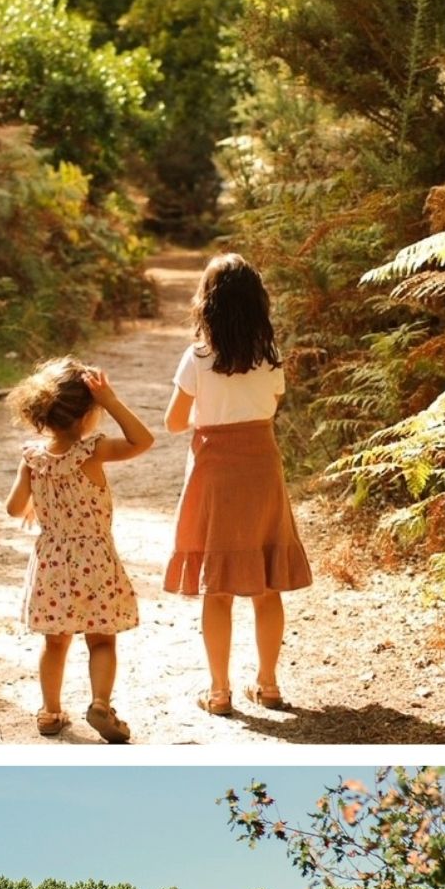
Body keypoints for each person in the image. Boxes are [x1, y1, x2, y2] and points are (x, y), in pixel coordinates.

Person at [163, 253, 311, 716]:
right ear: (256, 304)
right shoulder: (270, 356)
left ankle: (220, 691)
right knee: (268, 588)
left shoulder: (199, 357)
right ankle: (268, 685)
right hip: (261, 469)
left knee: (218, 588)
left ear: (207, 303)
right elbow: (273, 404)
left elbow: (172, 423)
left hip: (214, 473)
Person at [3, 357, 153, 741]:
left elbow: (13, 508)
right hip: (96, 561)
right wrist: (114, 400)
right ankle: (100, 705)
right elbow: (143, 441)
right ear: (89, 412)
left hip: (52, 562)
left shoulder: (32, 458)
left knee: (55, 641)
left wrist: (38, 499)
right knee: (101, 638)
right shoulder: (94, 451)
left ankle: (50, 713)